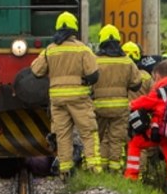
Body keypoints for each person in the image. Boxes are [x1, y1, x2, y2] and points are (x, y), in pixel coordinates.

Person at [31, 12, 100, 178]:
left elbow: (35, 71)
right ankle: (94, 169)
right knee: (88, 132)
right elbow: (93, 75)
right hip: (79, 99)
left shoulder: (50, 50)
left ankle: (65, 171)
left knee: (62, 135)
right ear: (74, 29)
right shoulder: (83, 49)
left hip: (57, 100)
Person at [125, 61, 167, 194]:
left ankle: (131, 179)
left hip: (158, 133)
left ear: (158, 76)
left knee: (135, 144)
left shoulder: (159, 91)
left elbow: (143, 103)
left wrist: (131, 104)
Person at [92, 25, 143, 174]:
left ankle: (97, 169)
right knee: (116, 140)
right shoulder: (127, 62)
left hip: (98, 107)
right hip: (120, 108)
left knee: (97, 138)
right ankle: (114, 172)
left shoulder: (95, 60)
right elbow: (136, 84)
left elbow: (87, 79)